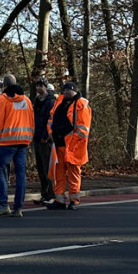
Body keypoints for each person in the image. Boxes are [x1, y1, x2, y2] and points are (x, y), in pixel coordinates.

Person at [0, 75, 32, 218]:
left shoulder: (2, 99)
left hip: (6, 141)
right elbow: (31, 120)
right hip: (23, 141)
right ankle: (18, 207)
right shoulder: (26, 100)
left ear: (4, 85)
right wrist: (29, 139)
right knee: (20, 173)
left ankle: (3, 204)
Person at [47, 81, 92, 210]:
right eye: (65, 89)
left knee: (73, 173)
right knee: (58, 173)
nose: (66, 92)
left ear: (75, 91)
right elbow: (51, 119)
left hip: (73, 145)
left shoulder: (80, 104)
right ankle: (59, 200)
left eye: (69, 90)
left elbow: (83, 129)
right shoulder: (59, 102)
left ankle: (74, 200)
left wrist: (74, 142)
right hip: (59, 143)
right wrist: (51, 133)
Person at [31, 79, 57, 204]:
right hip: (36, 137)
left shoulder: (50, 102)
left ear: (45, 87)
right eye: (37, 85)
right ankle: (44, 193)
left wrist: (46, 135)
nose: (38, 88)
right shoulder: (37, 101)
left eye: (41, 86)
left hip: (45, 139)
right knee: (41, 168)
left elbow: (51, 120)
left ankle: (52, 193)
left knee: (48, 167)